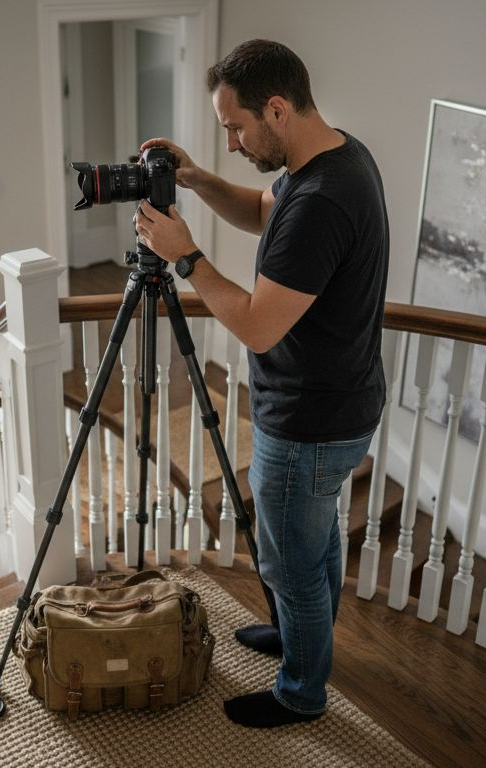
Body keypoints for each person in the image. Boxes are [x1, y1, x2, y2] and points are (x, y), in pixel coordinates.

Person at [133, 39, 389, 728]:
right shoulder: (336, 158)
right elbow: (258, 208)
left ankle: (301, 692)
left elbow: (255, 326)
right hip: (342, 406)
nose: (233, 141)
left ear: (276, 109)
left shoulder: (322, 204)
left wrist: (185, 257)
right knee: (317, 547)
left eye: (236, 127)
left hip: (308, 420)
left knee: (290, 566)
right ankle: (300, 637)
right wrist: (194, 179)